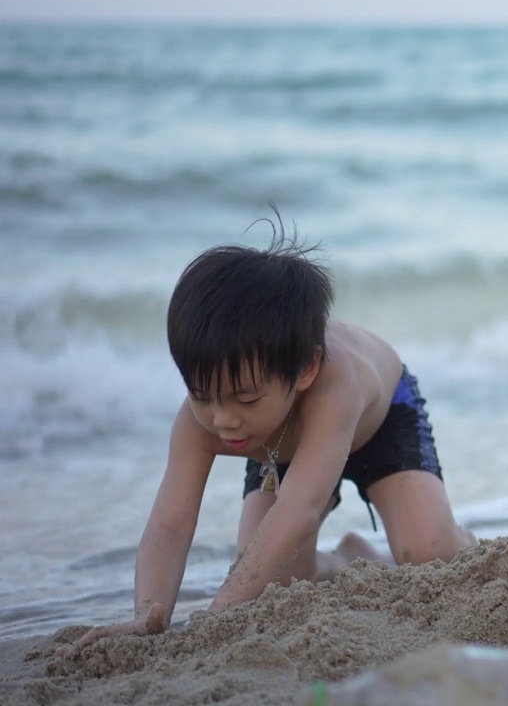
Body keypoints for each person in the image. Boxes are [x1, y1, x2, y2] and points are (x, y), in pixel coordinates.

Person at [60, 217, 477, 655]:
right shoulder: (206, 417)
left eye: (244, 398)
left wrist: (217, 612)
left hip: (379, 420)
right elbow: (170, 523)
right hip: (280, 442)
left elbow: (300, 506)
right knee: (272, 580)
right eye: (202, 395)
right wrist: (148, 611)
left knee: (429, 552)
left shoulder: (335, 387)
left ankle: (456, 534)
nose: (223, 421)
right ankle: (350, 559)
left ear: (306, 370)